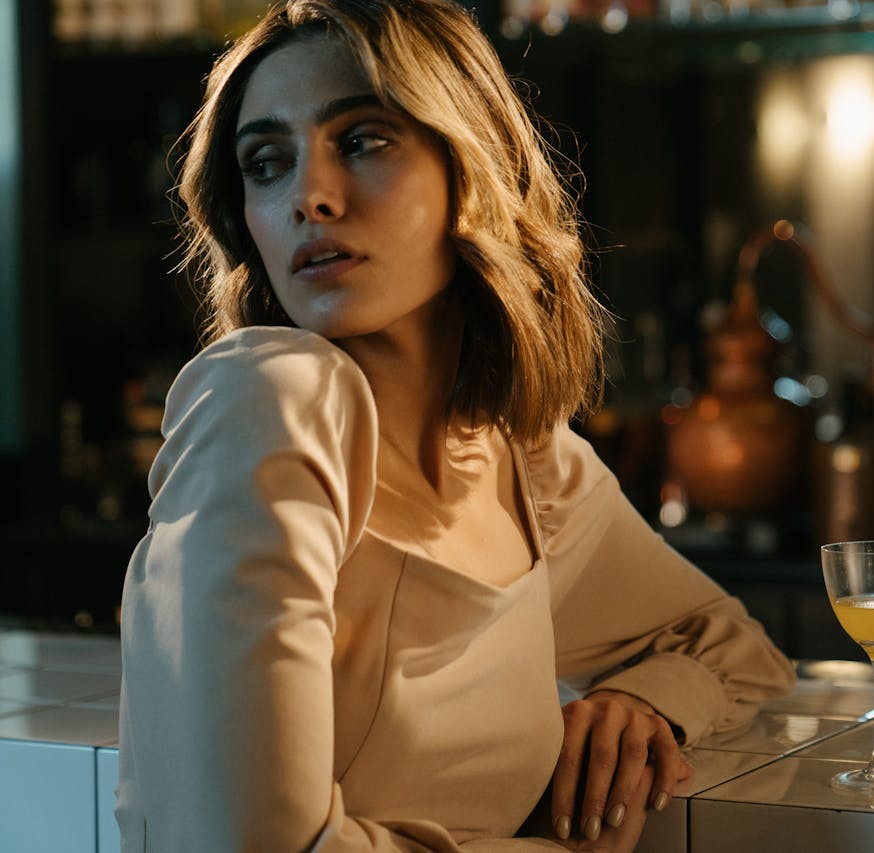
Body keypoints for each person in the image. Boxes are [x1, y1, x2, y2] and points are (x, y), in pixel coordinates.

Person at [114, 1, 796, 850]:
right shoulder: (271, 399)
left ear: (471, 166)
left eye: (363, 140)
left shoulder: (523, 458)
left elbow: (735, 647)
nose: (309, 197)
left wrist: (643, 700)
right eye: (266, 163)